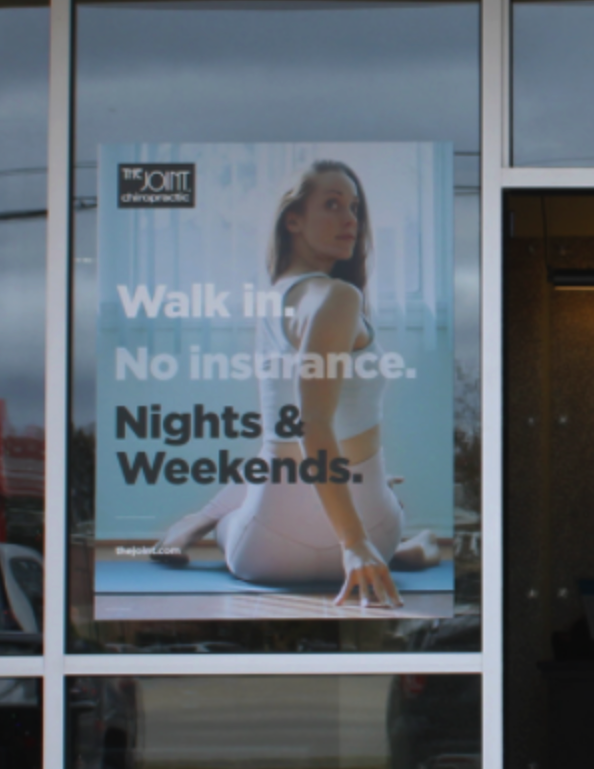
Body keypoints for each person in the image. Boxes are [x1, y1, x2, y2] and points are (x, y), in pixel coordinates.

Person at [151, 159, 441, 607]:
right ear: (293, 220)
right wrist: (354, 542)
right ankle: (410, 545)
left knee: (255, 483)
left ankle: (198, 522)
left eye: (354, 208)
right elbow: (314, 425)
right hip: (371, 536)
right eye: (332, 204)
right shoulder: (339, 297)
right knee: (386, 499)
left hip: (266, 551)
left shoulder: (272, 304)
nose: (350, 219)